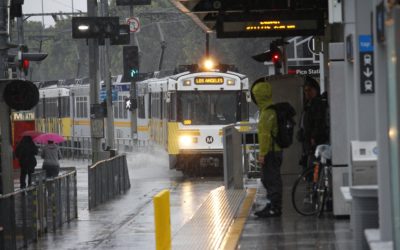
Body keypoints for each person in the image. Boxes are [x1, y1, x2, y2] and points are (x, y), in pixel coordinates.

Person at [251, 80, 283, 218]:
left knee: (270, 179)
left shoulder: (266, 113)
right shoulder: (271, 110)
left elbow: (265, 136)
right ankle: (273, 205)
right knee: (271, 178)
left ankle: (274, 208)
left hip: (270, 151)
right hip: (276, 150)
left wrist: (262, 154)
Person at [298, 76, 329, 171]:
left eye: (309, 90)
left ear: (316, 90)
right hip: (308, 142)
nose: (307, 93)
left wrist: (314, 137)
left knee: (313, 166)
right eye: (305, 90)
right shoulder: (308, 104)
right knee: (309, 165)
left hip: (315, 143)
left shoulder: (317, 104)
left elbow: (318, 121)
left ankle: (314, 183)